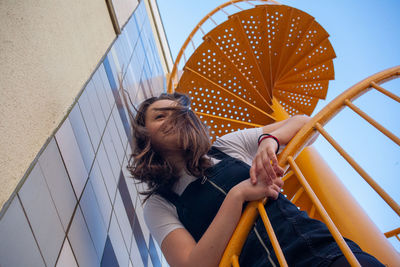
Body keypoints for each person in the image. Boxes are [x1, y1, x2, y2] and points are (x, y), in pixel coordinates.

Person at [126, 92, 384, 267]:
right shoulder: (160, 204)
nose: (172, 119)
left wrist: (269, 140)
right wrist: (238, 196)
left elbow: (305, 124)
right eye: (160, 116)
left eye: (178, 113)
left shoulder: (225, 147)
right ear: (144, 135)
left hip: (321, 248)